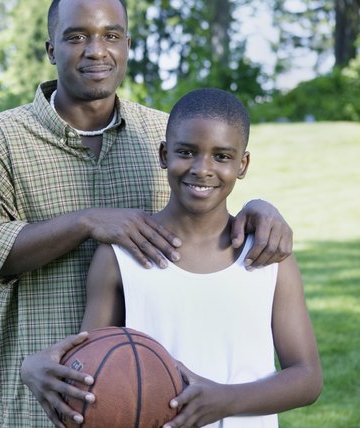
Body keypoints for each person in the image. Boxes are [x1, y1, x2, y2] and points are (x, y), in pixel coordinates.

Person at [0, 0, 292, 426]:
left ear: (127, 45)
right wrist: (86, 222)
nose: (96, 50)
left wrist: (260, 208)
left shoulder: (161, 132)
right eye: (77, 36)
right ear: (50, 49)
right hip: (43, 394)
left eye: (111, 35)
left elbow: (205, 204)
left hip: (146, 397)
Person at [76, 88, 322, 428]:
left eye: (221, 156)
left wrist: (223, 401)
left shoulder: (267, 255)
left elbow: (307, 377)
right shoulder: (120, 255)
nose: (202, 169)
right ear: (164, 154)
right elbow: (90, 369)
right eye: (187, 152)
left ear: (243, 164)